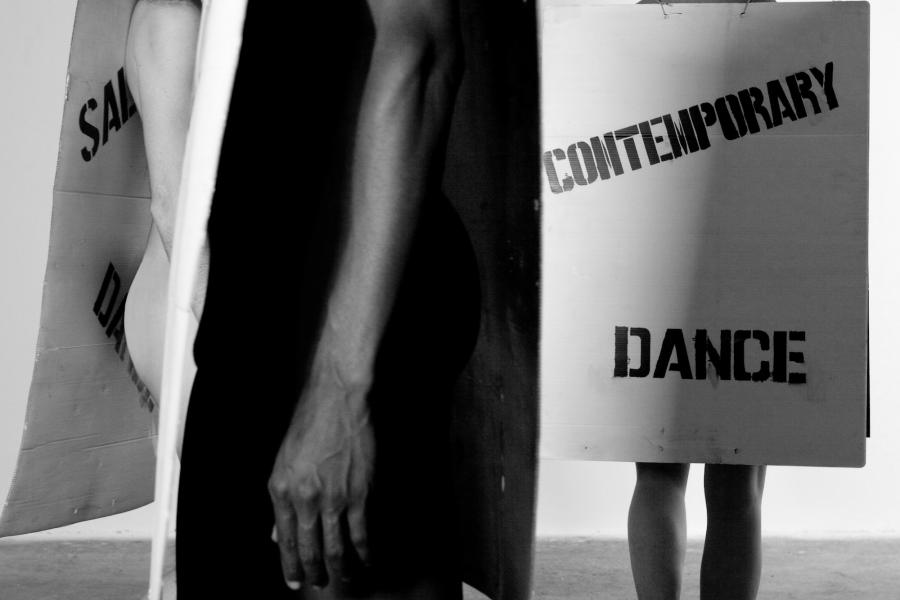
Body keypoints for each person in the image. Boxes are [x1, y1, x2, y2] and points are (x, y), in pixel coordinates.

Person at [125, 0, 480, 598]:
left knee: (341, 561)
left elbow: (419, 53)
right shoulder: (177, 15)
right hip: (260, 327)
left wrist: (339, 388)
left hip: (334, 326)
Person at [628, 2, 773, 600]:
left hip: (656, 266)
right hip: (758, 263)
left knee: (659, 468)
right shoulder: (771, 25)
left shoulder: (644, 22)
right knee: (737, 476)